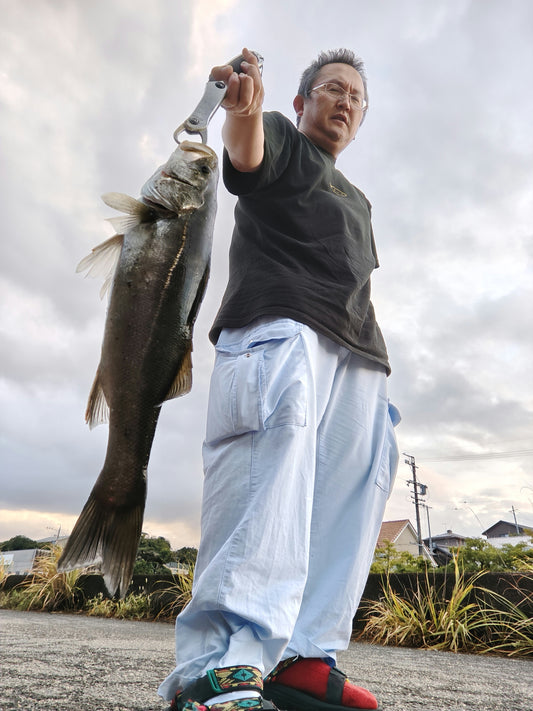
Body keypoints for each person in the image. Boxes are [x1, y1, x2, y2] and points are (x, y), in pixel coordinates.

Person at [159, 47, 400, 711]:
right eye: (331, 89)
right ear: (301, 102)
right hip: (279, 326)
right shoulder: (284, 140)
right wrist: (238, 109)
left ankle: (300, 655)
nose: (344, 101)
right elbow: (245, 148)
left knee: (344, 506)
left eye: (355, 95)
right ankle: (215, 670)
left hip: (356, 354)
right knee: (266, 491)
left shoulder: (357, 198)